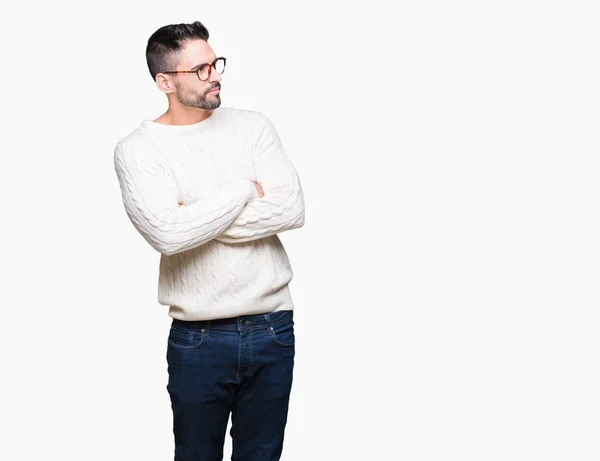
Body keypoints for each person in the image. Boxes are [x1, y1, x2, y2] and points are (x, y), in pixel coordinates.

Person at [113, 20, 305, 461]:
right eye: (199, 69)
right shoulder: (138, 149)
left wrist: (193, 216)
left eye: (215, 63)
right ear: (165, 82)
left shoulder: (253, 126)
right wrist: (242, 191)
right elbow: (167, 234)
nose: (214, 74)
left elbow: (290, 208)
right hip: (199, 338)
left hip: (272, 327)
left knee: (263, 455)